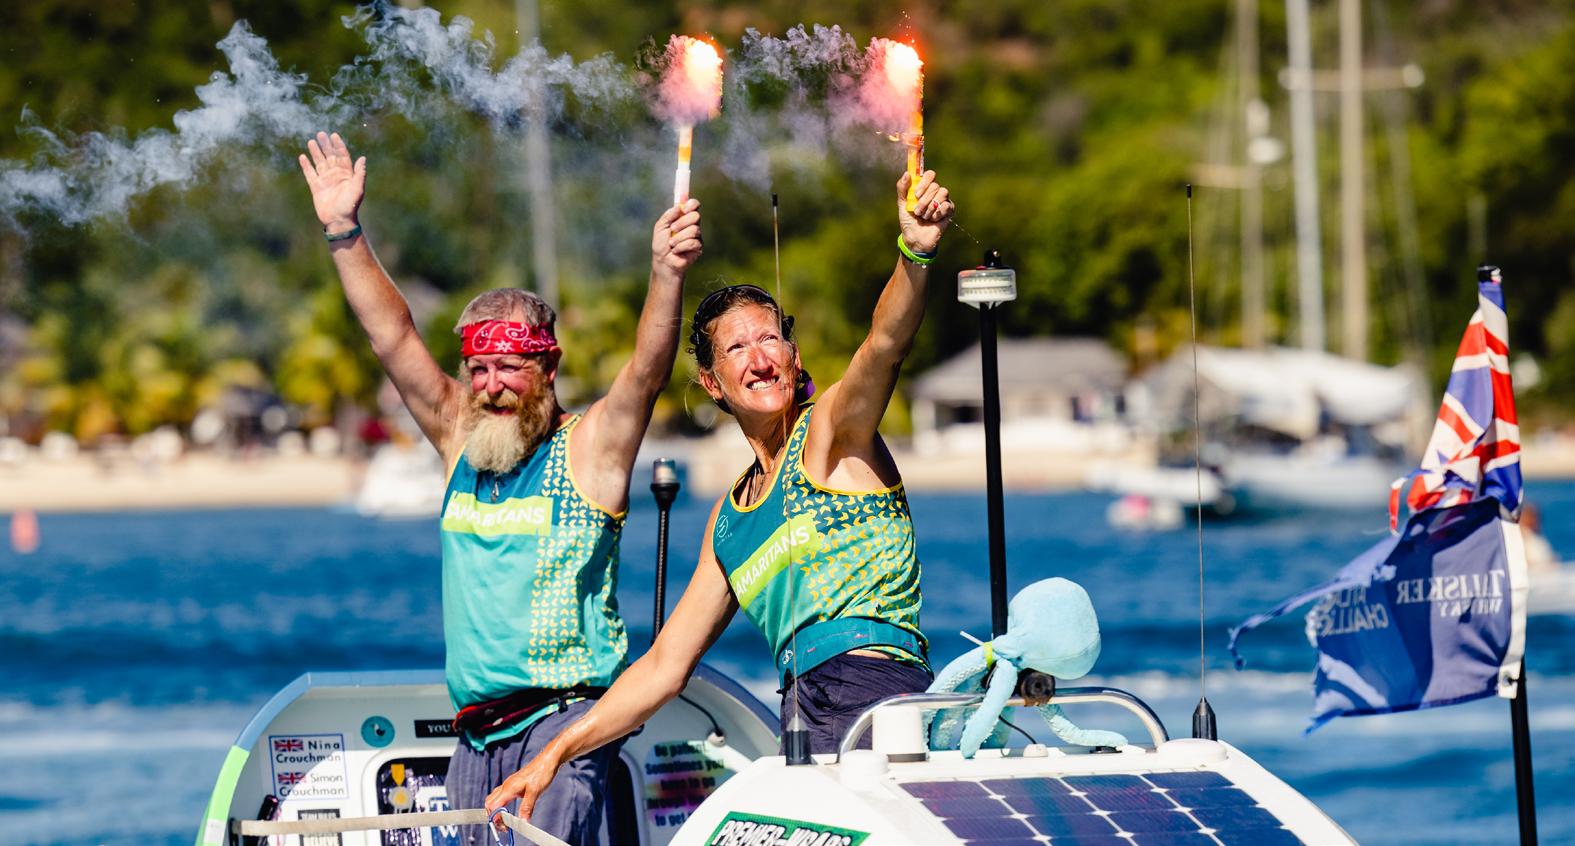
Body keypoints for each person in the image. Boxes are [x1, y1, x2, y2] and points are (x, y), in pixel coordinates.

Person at [486, 169, 955, 822]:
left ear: (794, 356)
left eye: (770, 339)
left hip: (877, 695)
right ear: (712, 383)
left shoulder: (831, 435)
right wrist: (556, 752)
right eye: (737, 348)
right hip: (802, 713)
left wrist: (915, 254)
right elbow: (663, 666)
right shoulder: (729, 522)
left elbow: (884, 344)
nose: (759, 359)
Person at [296, 131, 702, 845]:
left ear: (548, 368)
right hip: (474, 738)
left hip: (566, 722)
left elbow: (646, 371)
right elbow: (393, 338)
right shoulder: (460, 435)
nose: (490, 387)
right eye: (478, 370)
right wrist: (343, 232)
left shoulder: (591, 448)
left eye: (510, 368)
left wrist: (665, 273)